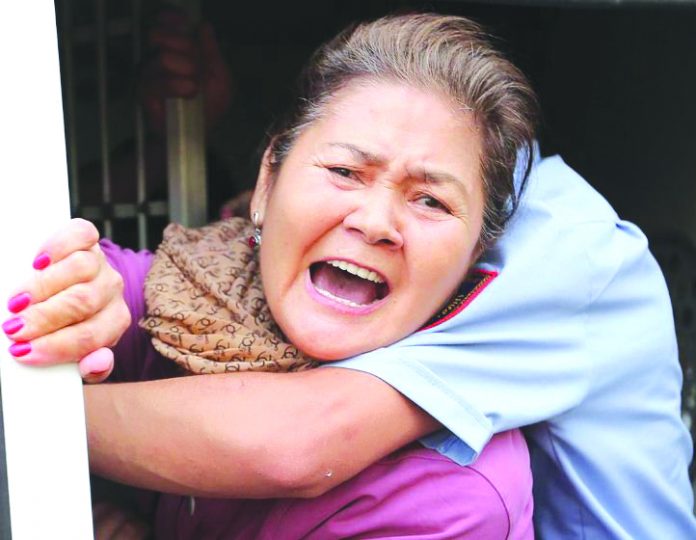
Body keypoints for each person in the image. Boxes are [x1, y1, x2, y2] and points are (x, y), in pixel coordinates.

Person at [5, 11, 696, 540]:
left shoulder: (449, 488)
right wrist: (60, 303)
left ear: (477, 262)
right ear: (266, 182)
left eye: (430, 199)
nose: (375, 220)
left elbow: (298, 440)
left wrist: (31, 417)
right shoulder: (198, 289)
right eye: (342, 171)